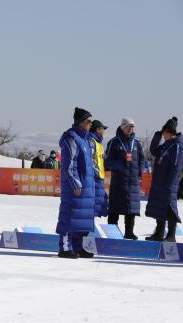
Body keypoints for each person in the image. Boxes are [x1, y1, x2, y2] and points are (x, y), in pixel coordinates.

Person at [56, 107, 95, 258]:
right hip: (75, 187)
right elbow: (69, 164)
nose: (90, 124)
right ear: (80, 122)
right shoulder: (71, 138)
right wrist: (75, 183)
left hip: (85, 186)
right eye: (88, 121)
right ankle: (65, 247)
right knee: (69, 216)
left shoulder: (85, 139)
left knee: (80, 218)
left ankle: (78, 246)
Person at [144, 117, 183, 242]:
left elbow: (176, 167)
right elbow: (154, 150)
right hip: (159, 183)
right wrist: (158, 135)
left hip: (168, 184)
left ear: (169, 132)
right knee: (159, 208)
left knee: (170, 209)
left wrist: (169, 184)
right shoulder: (166, 145)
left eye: (164, 132)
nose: (163, 135)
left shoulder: (177, 146)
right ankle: (159, 233)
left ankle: (171, 235)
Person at [104, 118, 143, 239]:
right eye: (129, 126)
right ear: (123, 127)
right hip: (118, 182)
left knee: (131, 209)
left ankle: (129, 232)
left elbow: (141, 159)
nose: (131, 129)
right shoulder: (114, 142)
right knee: (114, 208)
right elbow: (107, 162)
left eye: (133, 127)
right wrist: (120, 165)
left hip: (133, 182)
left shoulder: (137, 143)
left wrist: (139, 172)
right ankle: (112, 233)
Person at [87, 120, 108, 218]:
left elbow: (103, 161)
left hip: (99, 179)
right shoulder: (91, 141)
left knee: (97, 206)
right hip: (94, 178)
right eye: (103, 129)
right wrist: (95, 173)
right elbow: (89, 160)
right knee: (91, 206)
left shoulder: (99, 144)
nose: (104, 131)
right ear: (98, 129)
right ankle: (87, 230)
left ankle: (90, 228)